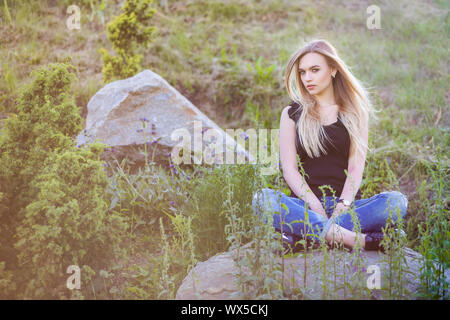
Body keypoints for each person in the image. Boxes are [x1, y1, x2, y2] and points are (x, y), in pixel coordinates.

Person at [252, 39, 408, 252]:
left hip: (346, 208)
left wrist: (342, 206)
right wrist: (315, 206)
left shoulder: (355, 113)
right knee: (263, 199)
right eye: (303, 72)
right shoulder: (291, 114)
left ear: (333, 69)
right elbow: (289, 170)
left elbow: (355, 167)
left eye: (315, 70)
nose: (307, 78)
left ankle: (306, 236)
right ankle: (358, 240)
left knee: (396, 203)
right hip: (305, 205)